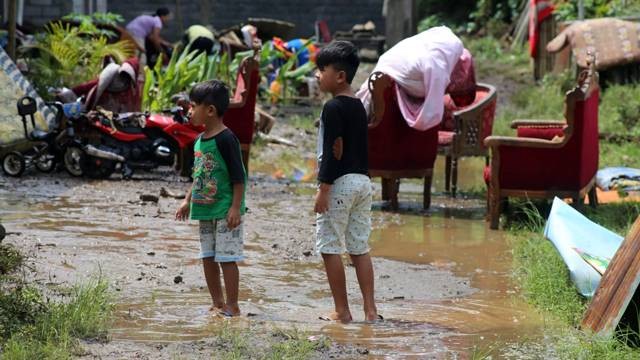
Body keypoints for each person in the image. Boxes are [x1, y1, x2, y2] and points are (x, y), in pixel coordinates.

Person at [314, 41, 380, 323]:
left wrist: (323, 189)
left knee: (329, 247)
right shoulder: (358, 106)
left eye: (321, 70)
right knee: (359, 247)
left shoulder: (332, 108)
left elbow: (332, 151)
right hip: (363, 183)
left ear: (339, 76)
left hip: (339, 183)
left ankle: (342, 311)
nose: (317, 75)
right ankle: (371, 310)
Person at [175, 80, 246, 317]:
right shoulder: (199, 141)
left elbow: (239, 177)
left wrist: (236, 208)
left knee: (227, 259)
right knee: (207, 257)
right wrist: (187, 200)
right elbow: (199, 175)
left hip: (225, 211)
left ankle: (233, 305)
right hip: (205, 211)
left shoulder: (226, 139)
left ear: (210, 110)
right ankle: (217, 302)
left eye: (193, 106)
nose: (189, 111)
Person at [356, 26, 475, 131]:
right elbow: (430, 117)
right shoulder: (437, 67)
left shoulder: (445, 41)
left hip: (387, 66)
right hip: (396, 73)